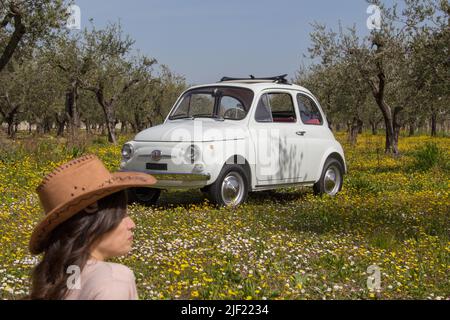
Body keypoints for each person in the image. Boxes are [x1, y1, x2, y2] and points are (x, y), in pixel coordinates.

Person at [28, 154, 156, 300]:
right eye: (121, 215)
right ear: (92, 218)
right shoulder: (113, 281)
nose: (131, 224)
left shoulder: (61, 277)